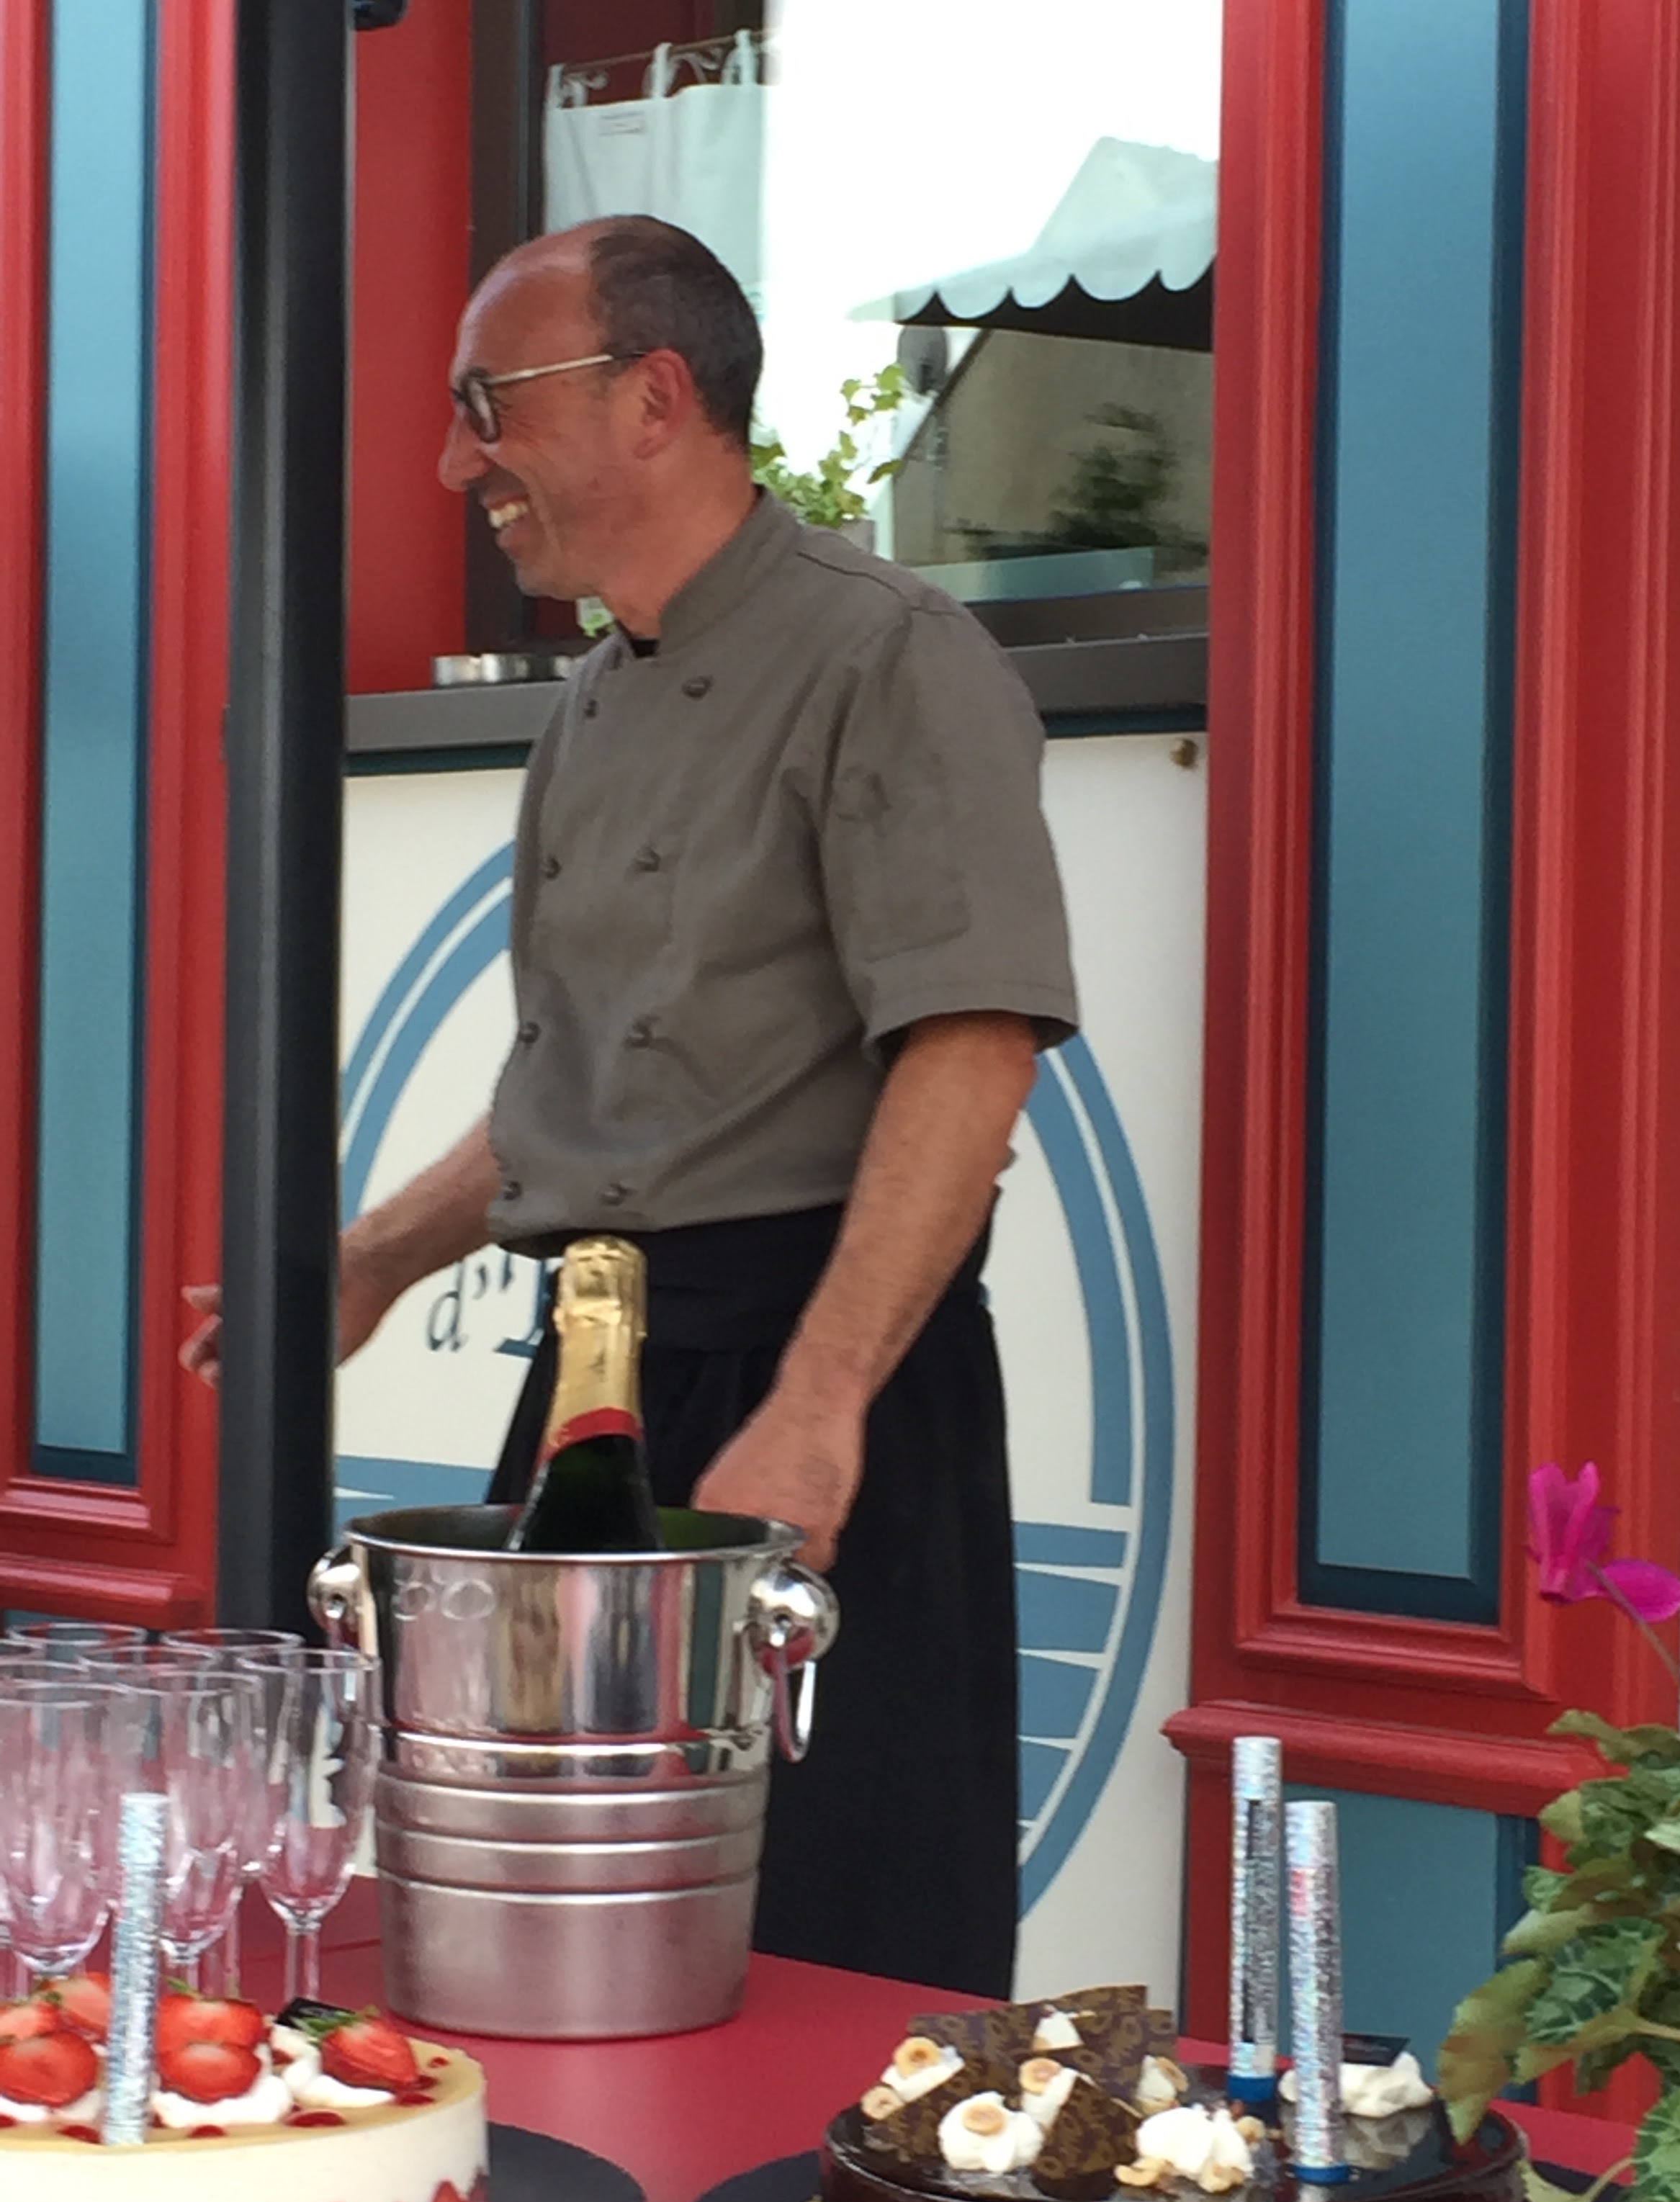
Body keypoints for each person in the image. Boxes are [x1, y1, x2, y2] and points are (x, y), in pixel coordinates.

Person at [184, 216, 1078, 1996]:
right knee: (542, 1913)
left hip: (820, 1387)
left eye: (489, 406)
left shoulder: (890, 655)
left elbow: (973, 1047)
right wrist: (374, 1260)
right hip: (600, 1380)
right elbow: (588, 1096)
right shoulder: (590, 699)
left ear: (655, 397)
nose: (460, 466)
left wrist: (822, 1406)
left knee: (820, 1936)